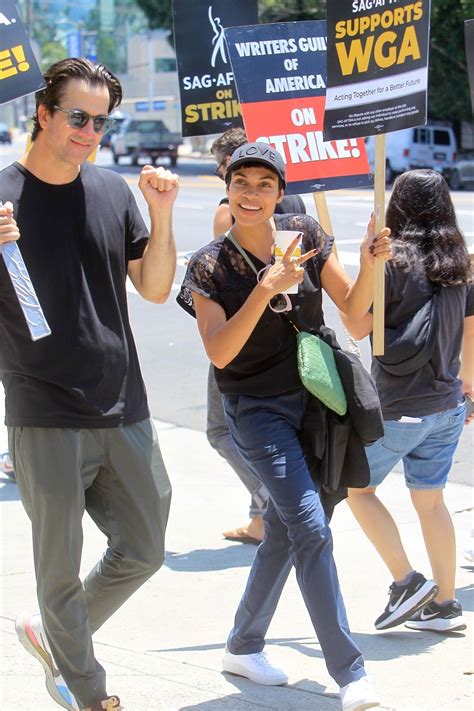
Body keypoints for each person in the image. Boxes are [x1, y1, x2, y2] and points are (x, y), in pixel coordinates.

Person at [178, 142, 392, 711]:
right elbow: (220, 352)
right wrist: (265, 289)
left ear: (279, 190)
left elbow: (354, 312)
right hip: (255, 409)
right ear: (227, 186)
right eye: (241, 182)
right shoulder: (208, 265)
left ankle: (243, 645)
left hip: (317, 400)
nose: (251, 194)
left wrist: (371, 262)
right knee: (308, 527)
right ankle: (350, 673)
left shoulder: (303, 235)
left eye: (263, 184)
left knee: (285, 525)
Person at [0, 58, 179, 710]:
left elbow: (155, 287)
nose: (89, 131)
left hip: (122, 402)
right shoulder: (3, 197)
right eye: (77, 117)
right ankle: (88, 690)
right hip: (44, 408)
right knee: (58, 568)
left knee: (146, 545)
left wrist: (160, 214)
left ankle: (52, 636)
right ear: (43, 114)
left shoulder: (110, 191)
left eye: (100, 121)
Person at [344, 169, 473, 633]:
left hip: (400, 406)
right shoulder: (459, 261)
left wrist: (366, 261)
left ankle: (406, 581)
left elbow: (357, 324)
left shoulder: (391, 260)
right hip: (448, 403)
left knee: (355, 489)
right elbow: (470, 336)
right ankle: (445, 603)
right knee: (432, 503)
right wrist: (468, 392)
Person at [208, 128, 306, 544]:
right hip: (295, 342)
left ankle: (270, 501)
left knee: (220, 431)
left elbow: (214, 279)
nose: (248, 192)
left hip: (243, 343)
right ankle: (263, 515)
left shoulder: (227, 212)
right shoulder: (299, 208)